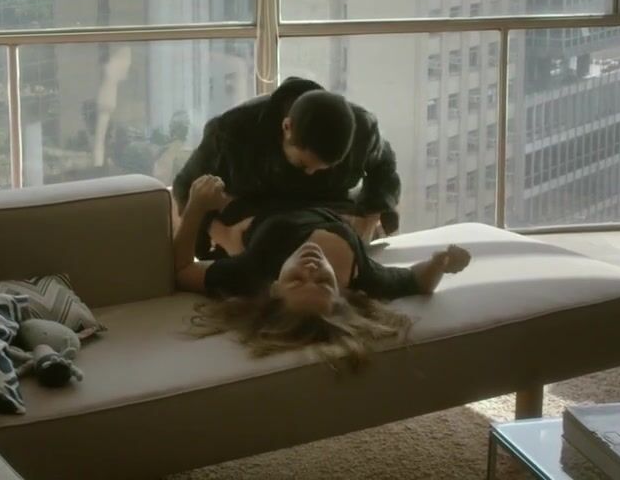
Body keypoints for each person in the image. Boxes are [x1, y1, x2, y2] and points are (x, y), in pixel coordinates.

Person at [173, 175, 471, 363]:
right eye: (323, 282)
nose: (311, 268)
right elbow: (417, 281)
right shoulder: (362, 275)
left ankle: (227, 237)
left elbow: (183, 269)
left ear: (275, 287)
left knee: (208, 199)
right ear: (343, 291)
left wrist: (196, 207)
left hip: (260, 200)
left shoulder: (254, 271)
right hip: (326, 200)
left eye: (296, 279)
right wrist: (440, 263)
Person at [172, 77, 401, 259]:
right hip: (254, 214)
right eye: (303, 164)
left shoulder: (363, 130)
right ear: (287, 128)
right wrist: (224, 236)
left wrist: (369, 217)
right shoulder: (233, 131)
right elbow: (185, 187)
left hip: (327, 211)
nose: (310, 174)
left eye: (324, 168)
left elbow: (385, 168)